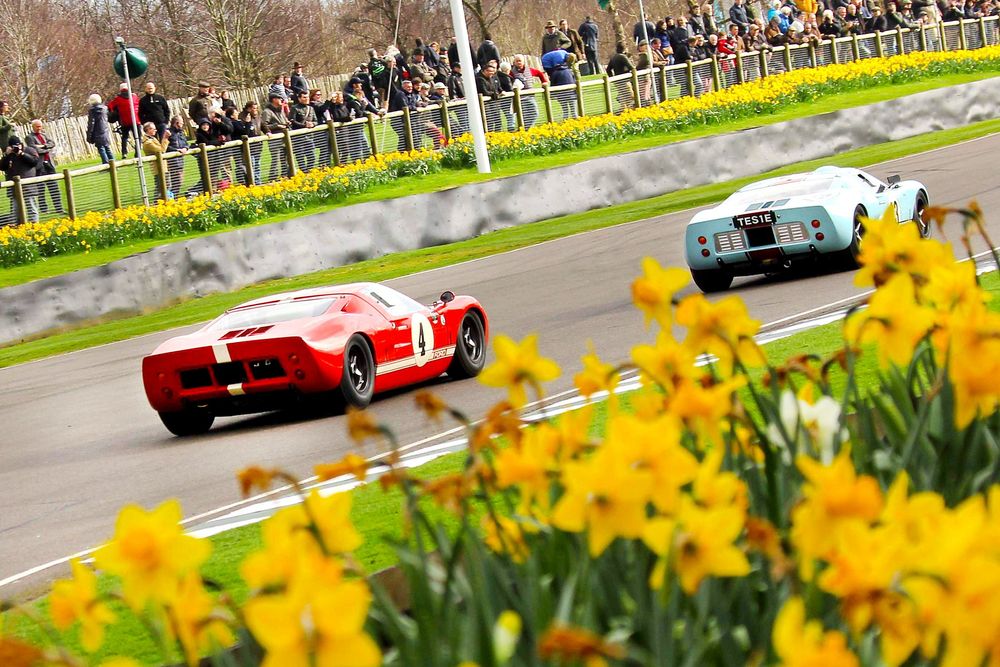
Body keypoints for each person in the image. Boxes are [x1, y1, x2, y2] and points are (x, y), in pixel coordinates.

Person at [25, 119, 63, 215]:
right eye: (37, 126)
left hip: (49, 164)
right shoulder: (29, 137)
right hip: (40, 165)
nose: (39, 128)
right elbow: (35, 149)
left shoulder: (44, 135)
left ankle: (59, 208)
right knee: (41, 189)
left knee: (54, 187)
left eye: (40, 126)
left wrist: (44, 146)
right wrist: (46, 149)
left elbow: (52, 143)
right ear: (33, 127)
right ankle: (44, 209)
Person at [1, 137, 41, 224]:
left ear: (20, 144)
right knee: (15, 210)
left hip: (28, 185)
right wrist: (6, 155)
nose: (15, 148)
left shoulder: (29, 150)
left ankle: (35, 226)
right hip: (14, 187)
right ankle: (18, 227)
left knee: (31, 208)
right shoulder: (9, 154)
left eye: (17, 145)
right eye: (13, 146)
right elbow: (2, 167)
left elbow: (35, 162)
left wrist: (21, 154)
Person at [261, 93, 290, 180]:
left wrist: (287, 123)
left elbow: (284, 121)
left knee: (285, 158)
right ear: (274, 99)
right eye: (279, 98)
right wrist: (277, 126)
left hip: (284, 138)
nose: (281, 100)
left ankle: (285, 175)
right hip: (274, 139)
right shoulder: (267, 112)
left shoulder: (280, 110)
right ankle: (272, 178)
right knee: (275, 159)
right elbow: (264, 126)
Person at [106, 83, 140, 158]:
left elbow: (110, 107)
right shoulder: (134, 97)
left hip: (124, 121)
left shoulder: (117, 99)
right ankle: (137, 152)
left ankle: (124, 152)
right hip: (135, 120)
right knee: (137, 137)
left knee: (124, 137)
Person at [140, 121, 171, 200]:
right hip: (158, 168)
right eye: (153, 129)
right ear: (148, 129)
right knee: (161, 187)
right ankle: (157, 202)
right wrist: (165, 138)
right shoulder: (148, 143)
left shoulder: (152, 139)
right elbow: (161, 150)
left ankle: (164, 201)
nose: (155, 130)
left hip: (163, 167)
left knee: (166, 185)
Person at [289, 90, 318, 171]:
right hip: (298, 137)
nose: (306, 99)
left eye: (307, 97)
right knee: (300, 157)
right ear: (299, 98)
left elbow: (316, 120)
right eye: (304, 97)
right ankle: (303, 172)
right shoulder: (294, 108)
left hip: (309, 136)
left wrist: (313, 124)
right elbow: (292, 121)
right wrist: (305, 125)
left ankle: (309, 171)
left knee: (311, 157)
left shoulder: (311, 108)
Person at [86, 94, 114, 164]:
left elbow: (91, 123)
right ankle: (113, 163)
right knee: (107, 148)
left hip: (97, 132)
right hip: (105, 130)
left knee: (101, 148)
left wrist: (89, 135)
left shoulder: (92, 111)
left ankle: (105, 163)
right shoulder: (105, 109)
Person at [165, 115, 189, 197]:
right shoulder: (168, 132)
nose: (182, 124)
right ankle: (171, 196)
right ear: (176, 123)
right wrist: (177, 150)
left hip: (180, 159)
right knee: (176, 179)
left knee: (179, 180)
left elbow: (186, 143)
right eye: (181, 123)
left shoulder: (181, 132)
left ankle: (173, 196)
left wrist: (185, 148)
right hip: (172, 160)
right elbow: (166, 146)